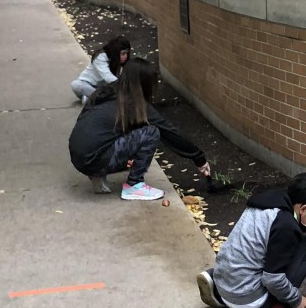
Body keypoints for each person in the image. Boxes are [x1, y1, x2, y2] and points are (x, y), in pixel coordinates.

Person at [196, 171, 306, 308]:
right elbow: (272, 279)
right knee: (305, 248)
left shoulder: (266, 202)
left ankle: (218, 287)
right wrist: (296, 300)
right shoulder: (286, 227)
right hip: (247, 301)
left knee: (250, 255)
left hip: (224, 281)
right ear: (304, 209)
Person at [68, 57, 211, 201]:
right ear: (144, 83)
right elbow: (170, 133)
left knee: (125, 131)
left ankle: (97, 173)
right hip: (94, 159)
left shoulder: (104, 92)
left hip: (80, 157)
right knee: (151, 132)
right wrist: (198, 158)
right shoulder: (134, 104)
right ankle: (134, 185)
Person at [70, 36, 131, 105]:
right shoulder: (100, 57)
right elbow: (108, 76)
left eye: (127, 53)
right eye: (123, 54)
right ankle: (96, 98)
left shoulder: (119, 62)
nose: (125, 56)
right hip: (88, 85)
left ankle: (94, 99)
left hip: (104, 88)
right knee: (76, 85)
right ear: (115, 52)